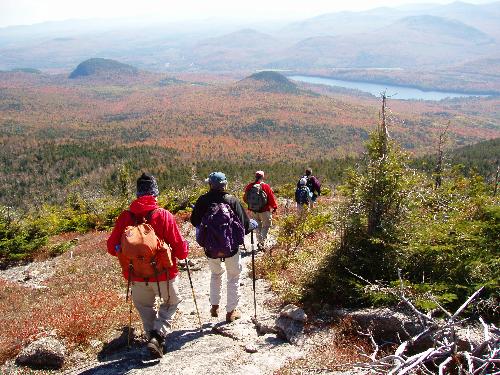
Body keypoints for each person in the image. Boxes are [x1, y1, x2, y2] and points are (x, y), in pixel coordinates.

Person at [107, 173, 189, 359]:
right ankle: (158, 336)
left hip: (135, 275)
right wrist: (185, 250)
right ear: (155, 193)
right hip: (164, 274)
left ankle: (153, 339)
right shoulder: (163, 215)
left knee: (145, 308)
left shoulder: (125, 217)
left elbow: (112, 248)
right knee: (172, 302)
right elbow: (180, 250)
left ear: (137, 194)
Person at [190, 172, 253, 323]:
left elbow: (194, 221)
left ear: (210, 184)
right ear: (225, 184)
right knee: (233, 277)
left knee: (216, 274)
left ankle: (214, 306)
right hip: (231, 248)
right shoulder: (232, 200)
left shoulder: (203, 200)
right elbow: (245, 225)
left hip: (211, 248)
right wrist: (252, 225)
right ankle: (231, 311)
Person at [243, 170, 278, 251]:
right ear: (263, 177)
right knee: (266, 226)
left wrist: (251, 206)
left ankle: (259, 242)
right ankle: (261, 242)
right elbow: (271, 198)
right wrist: (274, 207)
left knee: (257, 227)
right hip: (265, 211)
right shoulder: (265, 186)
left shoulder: (250, 186)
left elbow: (245, 198)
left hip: (254, 211)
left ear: (255, 176)